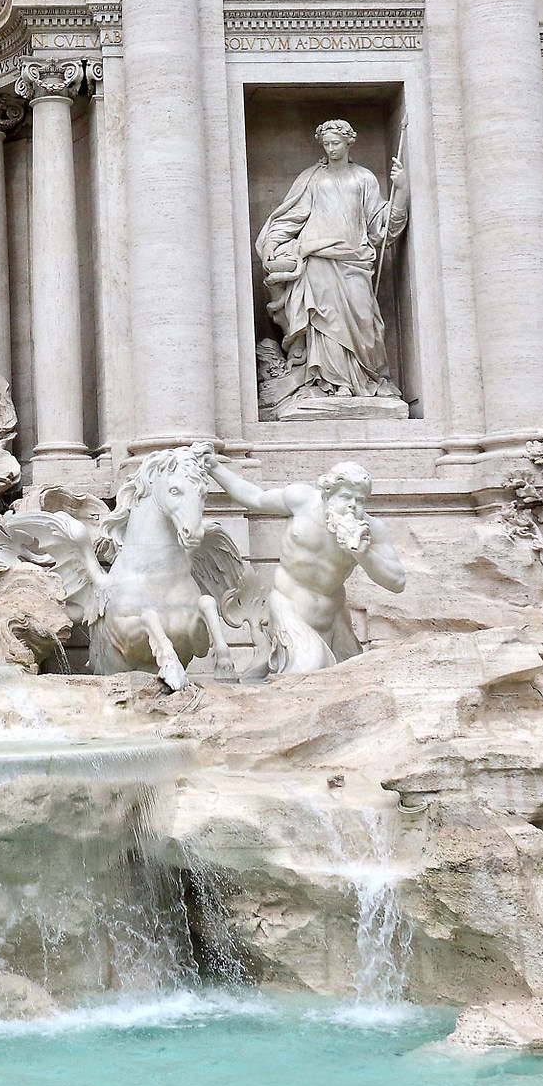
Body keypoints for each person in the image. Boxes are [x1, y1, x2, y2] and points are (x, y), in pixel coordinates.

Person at [255, 119, 407, 407]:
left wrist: (400, 191)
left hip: (354, 259)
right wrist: (273, 243)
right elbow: (291, 216)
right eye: (326, 144)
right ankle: (330, 383)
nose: (331, 149)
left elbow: (381, 227)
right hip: (317, 258)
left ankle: (364, 380)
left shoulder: (364, 178)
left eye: (336, 143)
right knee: (324, 322)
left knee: (364, 319)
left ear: (349, 143)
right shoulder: (312, 178)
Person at [207, 458, 407, 672]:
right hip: (289, 608)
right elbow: (254, 498)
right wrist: (215, 468)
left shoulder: (371, 529)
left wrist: (365, 555)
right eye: (345, 497)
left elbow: (397, 581)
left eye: (359, 500)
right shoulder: (302, 501)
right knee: (306, 670)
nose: (352, 505)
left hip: (333, 618)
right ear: (328, 494)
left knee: (350, 675)